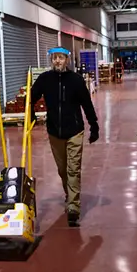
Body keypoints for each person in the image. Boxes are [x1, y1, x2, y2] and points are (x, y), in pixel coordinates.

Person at [29, 47, 99, 227]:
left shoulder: (75, 80)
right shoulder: (45, 79)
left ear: (67, 60)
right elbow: (31, 97)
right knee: (62, 169)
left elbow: (86, 103)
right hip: (54, 132)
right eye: (54, 58)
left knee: (73, 168)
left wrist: (94, 125)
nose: (57, 61)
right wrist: (30, 114)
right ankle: (70, 193)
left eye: (61, 58)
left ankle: (73, 207)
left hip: (75, 130)